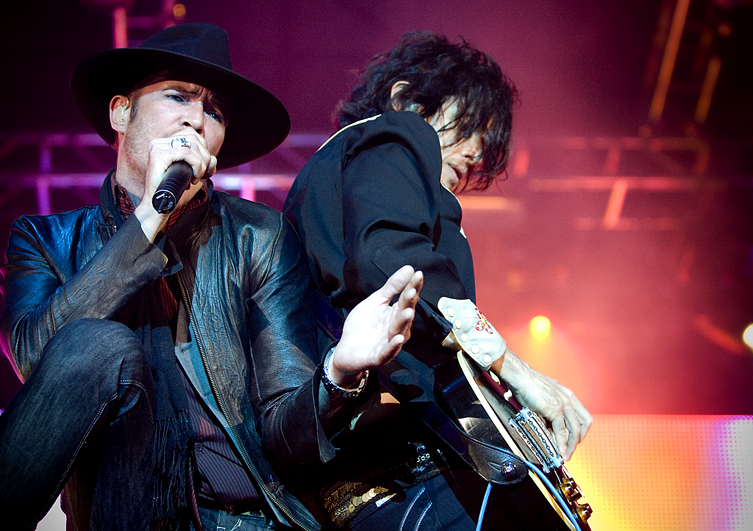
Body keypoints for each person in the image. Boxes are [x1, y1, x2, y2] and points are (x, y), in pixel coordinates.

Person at [0, 23, 424, 531]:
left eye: (214, 110)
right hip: (124, 513)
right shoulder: (43, 240)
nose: (196, 119)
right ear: (120, 111)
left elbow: (285, 439)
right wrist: (149, 222)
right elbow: (36, 361)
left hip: (245, 519)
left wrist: (339, 373)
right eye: (178, 96)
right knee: (100, 344)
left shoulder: (259, 236)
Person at [282, 32, 594, 530]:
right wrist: (519, 374)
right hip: (418, 481)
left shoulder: (337, 182)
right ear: (406, 99)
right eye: (470, 125)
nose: (475, 155)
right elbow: (394, 260)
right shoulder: (393, 134)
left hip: (387, 490)